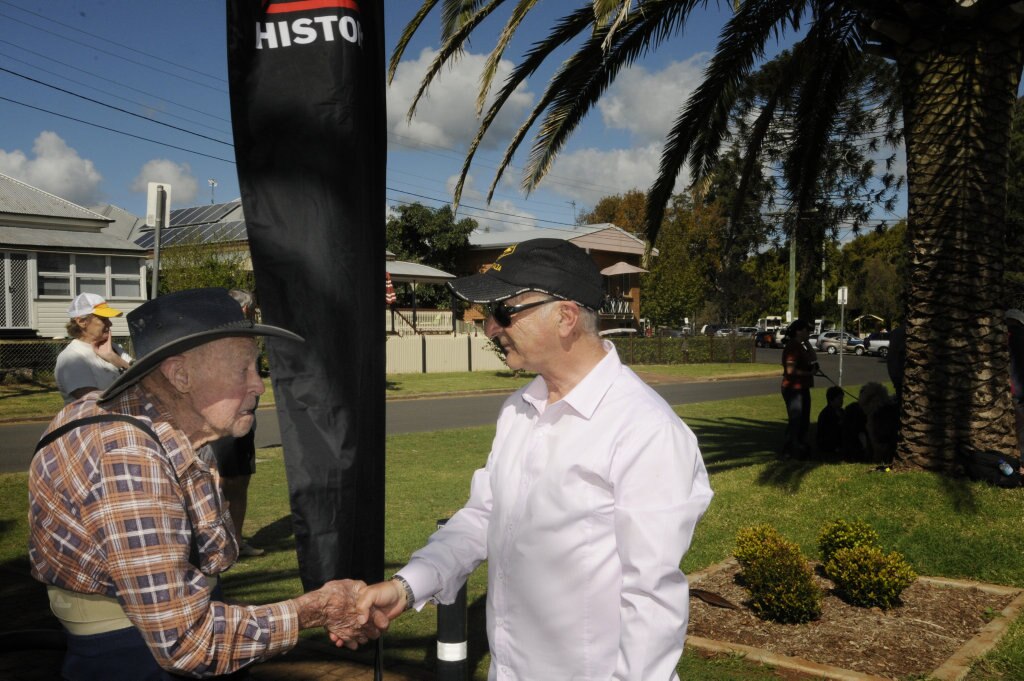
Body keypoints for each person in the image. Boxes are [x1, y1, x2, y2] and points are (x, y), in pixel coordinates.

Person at [357, 238, 714, 680]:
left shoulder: (646, 430)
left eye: (503, 311)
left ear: (565, 317)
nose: (489, 327)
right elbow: (485, 516)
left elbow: (651, 599)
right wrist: (407, 586)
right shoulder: (519, 408)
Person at [29, 288, 384, 679]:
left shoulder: (153, 422)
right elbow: (186, 644)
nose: (259, 385)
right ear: (180, 374)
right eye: (242, 369)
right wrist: (314, 609)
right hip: (132, 655)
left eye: (257, 367)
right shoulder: (131, 458)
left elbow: (212, 556)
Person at [208, 289, 263, 557]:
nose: (254, 314)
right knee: (224, 483)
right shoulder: (220, 341)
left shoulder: (248, 340)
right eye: (251, 310)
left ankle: (238, 541)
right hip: (224, 423)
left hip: (244, 423)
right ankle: (221, 543)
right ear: (244, 310)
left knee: (241, 481)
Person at [55, 292, 133, 404]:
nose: (110, 324)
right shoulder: (71, 357)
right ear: (82, 322)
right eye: (103, 319)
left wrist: (114, 358)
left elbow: (145, 378)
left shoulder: (113, 348)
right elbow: (94, 402)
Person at [781, 318, 817, 458]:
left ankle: (800, 445)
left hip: (803, 387)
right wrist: (809, 373)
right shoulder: (792, 347)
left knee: (804, 419)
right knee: (796, 419)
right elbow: (790, 370)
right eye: (806, 330)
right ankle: (789, 449)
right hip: (793, 388)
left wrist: (807, 342)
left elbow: (813, 358)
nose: (809, 332)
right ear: (798, 331)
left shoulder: (801, 345)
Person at [816, 385, 845, 458]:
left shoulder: (842, 411)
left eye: (842, 398)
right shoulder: (826, 414)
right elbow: (828, 432)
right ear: (831, 400)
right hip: (828, 443)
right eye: (839, 399)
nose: (842, 401)